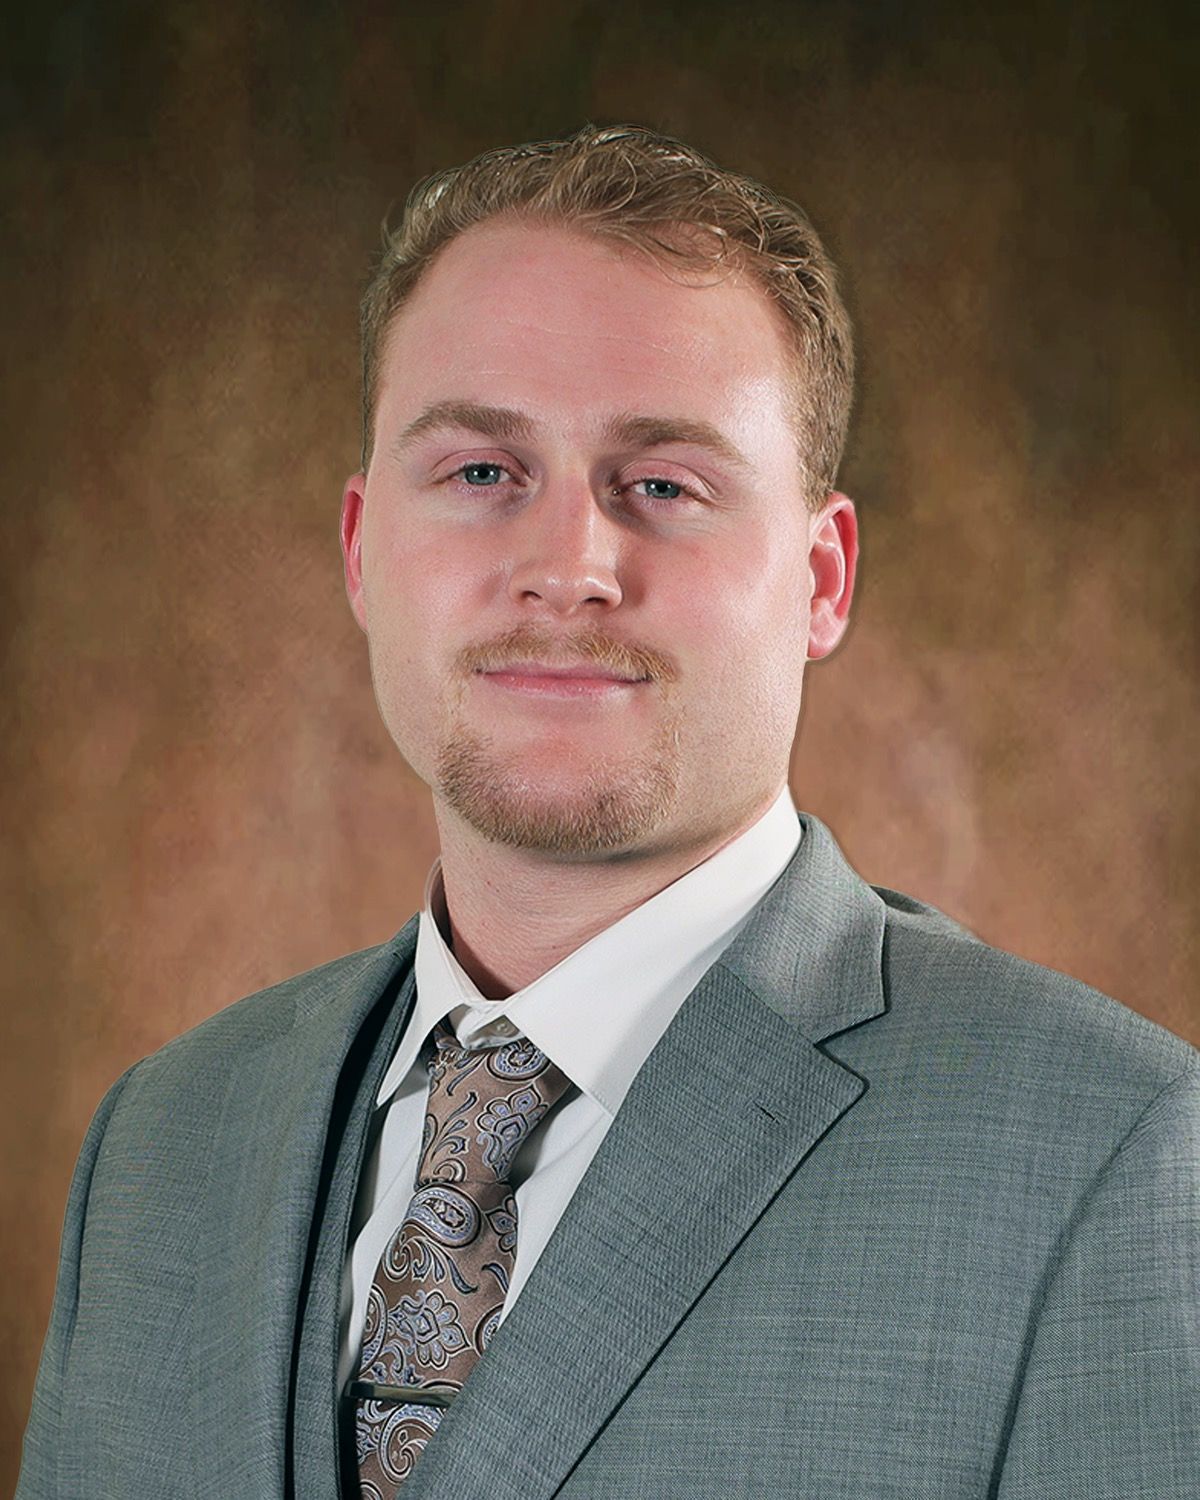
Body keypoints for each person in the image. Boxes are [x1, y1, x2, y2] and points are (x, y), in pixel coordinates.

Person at [16, 123, 1198, 1500]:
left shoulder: (1113, 1160)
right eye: (480, 473)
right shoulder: (162, 1143)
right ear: (360, 551)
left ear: (821, 579)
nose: (569, 566)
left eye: (663, 485)